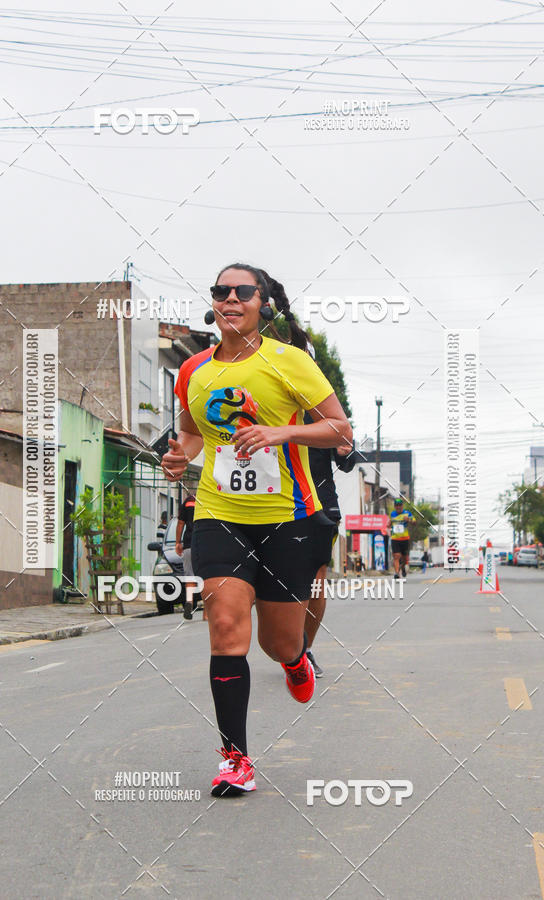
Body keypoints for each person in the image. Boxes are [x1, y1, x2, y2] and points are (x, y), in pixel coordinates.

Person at [161, 262, 352, 798]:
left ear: (262, 303)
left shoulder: (289, 362)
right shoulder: (195, 371)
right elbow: (193, 434)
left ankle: (295, 661)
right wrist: (180, 459)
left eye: (241, 291)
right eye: (220, 291)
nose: (229, 298)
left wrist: (281, 431)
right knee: (225, 627)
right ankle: (235, 759)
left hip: (288, 519)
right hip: (220, 514)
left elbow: (340, 429)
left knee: (277, 641)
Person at [303, 350, 355, 678]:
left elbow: (348, 462)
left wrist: (345, 449)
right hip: (274, 505)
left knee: (316, 582)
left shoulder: (326, 410)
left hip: (321, 506)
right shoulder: (270, 405)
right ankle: (286, 642)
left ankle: (304, 649)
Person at [176, 489, 203, 620]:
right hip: (205, 542)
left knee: (190, 576)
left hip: (188, 543)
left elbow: (180, 523)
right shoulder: (207, 500)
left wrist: (177, 542)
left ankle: (189, 602)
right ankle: (207, 613)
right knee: (205, 577)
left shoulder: (188, 501)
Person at [389, 498, 415, 579]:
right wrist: (388, 525)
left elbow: (414, 522)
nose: (398, 507)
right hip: (395, 539)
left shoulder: (407, 513)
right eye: (396, 506)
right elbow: (390, 524)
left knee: (405, 558)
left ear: (402, 506)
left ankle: (403, 568)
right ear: (394, 506)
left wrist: (409, 520)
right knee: (396, 556)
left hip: (405, 539)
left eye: (400, 506)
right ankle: (397, 573)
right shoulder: (392, 514)